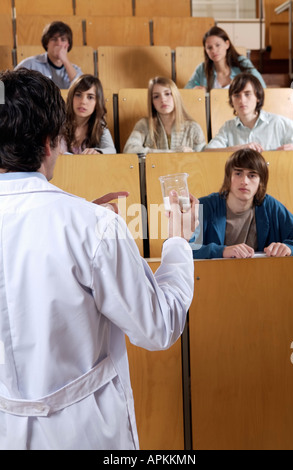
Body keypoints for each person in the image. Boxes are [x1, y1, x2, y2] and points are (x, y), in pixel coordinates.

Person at [0, 68, 199, 450]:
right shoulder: (92, 227)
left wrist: (77, 230)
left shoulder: (84, 225)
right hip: (84, 432)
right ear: (49, 143)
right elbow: (158, 326)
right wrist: (176, 241)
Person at [190, 148, 293, 259]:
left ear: (261, 181)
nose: (244, 182)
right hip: (214, 274)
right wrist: (221, 251)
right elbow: (184, 247)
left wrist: (290, 247)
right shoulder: (204, 206)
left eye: (252, 175)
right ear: (229, 177)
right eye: (238, 173)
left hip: (259, 274)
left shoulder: (269, 206)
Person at [205, 72, 293, 151]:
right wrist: (239, 148)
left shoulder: (281, 124)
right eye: (237, 95)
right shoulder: (227, 128)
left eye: (247, 94)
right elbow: (208, 151)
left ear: (258, 97)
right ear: (231, 100)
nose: (242, 100)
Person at [123, 76, 206, 154]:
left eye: (167, 94)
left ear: (175, 96)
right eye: (156, 96)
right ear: (152, 102)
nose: (163, 100)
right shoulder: (143, 125)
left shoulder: (193, 127)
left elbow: (203, 160)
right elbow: (129, 150)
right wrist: (172, 153)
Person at [185, 26, 266, 92]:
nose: (214, 50)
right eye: (209, 48)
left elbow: (262, 87)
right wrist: (194, 90)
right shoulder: (202, 69)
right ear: (205, 50)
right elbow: (186, 91)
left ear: (227, 44)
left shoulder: (242, 63)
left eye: (218, 45)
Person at [15, 21, 82, 89]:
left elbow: (81, 89)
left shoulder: (75, 70)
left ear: (68, 45)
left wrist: (65, 61)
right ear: (47, 43)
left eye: (63, 40)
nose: (58, 44)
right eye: (54, 39)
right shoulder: (30, 64)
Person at [60, 74, 116, 155]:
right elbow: (58, 153)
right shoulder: (60, 123)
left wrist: (98, 151)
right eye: (78, 95)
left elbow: (111, 150)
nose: (83, 101)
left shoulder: (99, 126)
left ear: (97, 102)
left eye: (90, 97)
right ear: (71, 98)